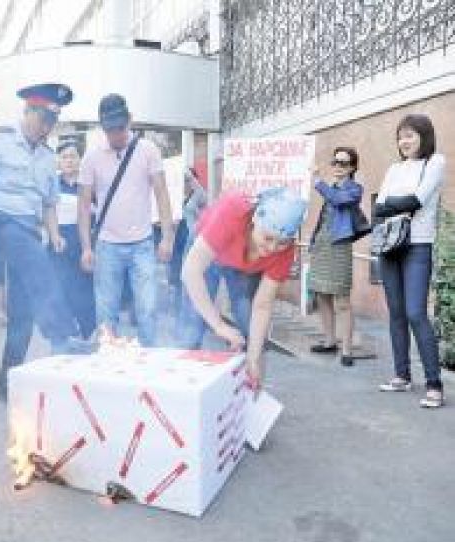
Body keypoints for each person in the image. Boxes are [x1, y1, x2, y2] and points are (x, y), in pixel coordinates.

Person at [0, 83, 92, 403]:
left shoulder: (47, 156)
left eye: (51, 122)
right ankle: (63, 333)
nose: (47, 128)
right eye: (43, 119)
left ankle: (8, 381)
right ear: (28, 112)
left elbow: (47, 203)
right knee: (39, 265)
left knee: (22, 314)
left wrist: (56, 233)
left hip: (29, 231)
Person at [182, 187, 307, 393]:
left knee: (250, 330)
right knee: (193, 322)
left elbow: (263, 305)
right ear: (256, 219)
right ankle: (186, 389)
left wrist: (254, 358)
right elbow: (191, 271)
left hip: (240, 265)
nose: (272, 248)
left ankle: (243, 391)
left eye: (282, 243)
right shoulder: (233, 210)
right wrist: (218, 325)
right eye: (268, 238)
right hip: (207, 251)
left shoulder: (285, 250)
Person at [77, 94, 174, 346]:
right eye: (110, 130)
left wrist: (166, 237)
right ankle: (107, 363)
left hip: (142, 244)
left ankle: (147, 362)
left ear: (130, 121)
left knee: (148, 310)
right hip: (107, 246)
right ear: (102, 127)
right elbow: (84, 205)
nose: (116, 135)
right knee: (106, 313)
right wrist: (86, 247)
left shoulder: (148, 150)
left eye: (120, 128)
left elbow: (162, 194)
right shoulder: (91, 157)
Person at [375, 114, 445, 408]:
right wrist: (396, 203)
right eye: (401, 136)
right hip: (390, 245)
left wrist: (396, 202)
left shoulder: (435, 162)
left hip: (417, 246)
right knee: (396, 313)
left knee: (416, 312)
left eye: (410, 135)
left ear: (424, 136)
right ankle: (402, 376)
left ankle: (434, 384)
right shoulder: (394, 167)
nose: (404, 141)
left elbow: (415, 201)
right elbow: (378, 206)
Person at [309, 147, 364, 366]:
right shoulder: (331, 187)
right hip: (323, 246)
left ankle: (347, 349)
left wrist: (317, 182)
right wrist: (313, 243)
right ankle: (329, 340)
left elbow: (338, 200)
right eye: (335, 162)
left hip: (339, 247)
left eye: (344, 163)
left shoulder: (355, 189)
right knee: (322, 295)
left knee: (342, 300)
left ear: (352, 167)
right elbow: (323, 219)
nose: (338, 166)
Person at [51, 140, 96, 339]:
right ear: (58, 162)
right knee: (61, 290)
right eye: (64, 157)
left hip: (84, 242)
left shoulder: (88, 186)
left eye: (73, 156)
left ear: (80, 160)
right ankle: (65, 336)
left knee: (85, 291)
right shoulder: (52, 185)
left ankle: (89, 335)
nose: (69, 160)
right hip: (59, 242)